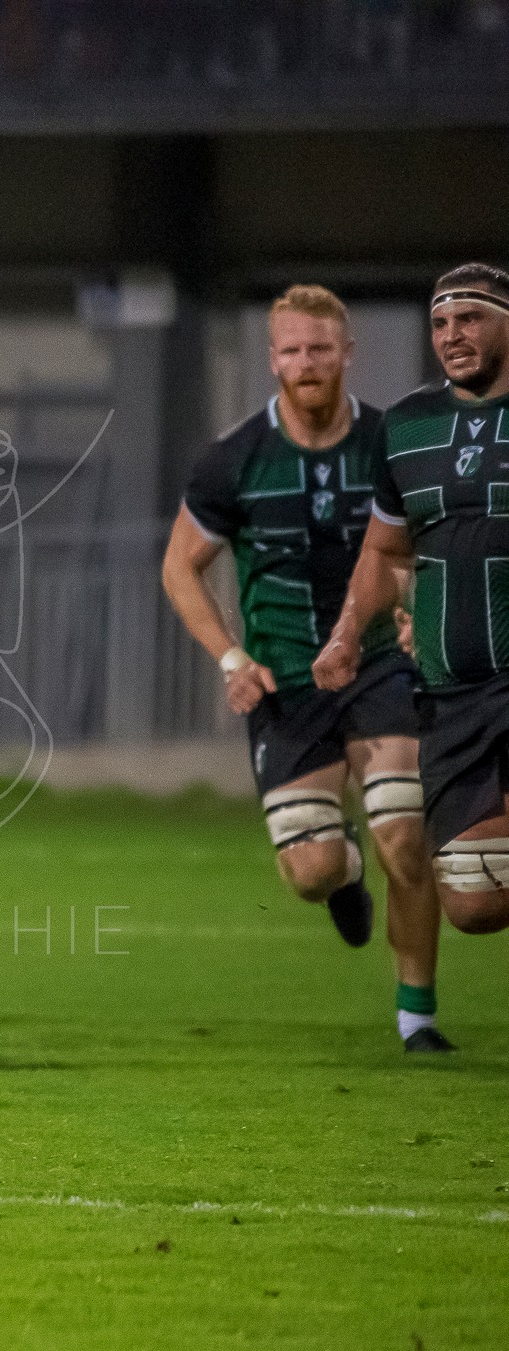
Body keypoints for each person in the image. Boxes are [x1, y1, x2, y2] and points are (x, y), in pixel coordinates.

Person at [164, 285, 450, 1051]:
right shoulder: (234, 460)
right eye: (291, 350)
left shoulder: (395, 443)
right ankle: (343, 873)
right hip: (285, 680)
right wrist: (231, 655)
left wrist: (423, 610)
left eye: (320, 348)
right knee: (312, 871)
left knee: (407, 833)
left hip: (380, 668)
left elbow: (442, 536)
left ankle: (416, 1017)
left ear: (347, 352)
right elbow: (180, 569)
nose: (306, 363)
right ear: (272, 359)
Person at [316, 262, 509, 945]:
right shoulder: (406, 424)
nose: (453, 335)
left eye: (471, 318)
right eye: (440, 322)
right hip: (452, 696)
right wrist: (347, 632)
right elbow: (386, 552)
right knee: (473, 903)